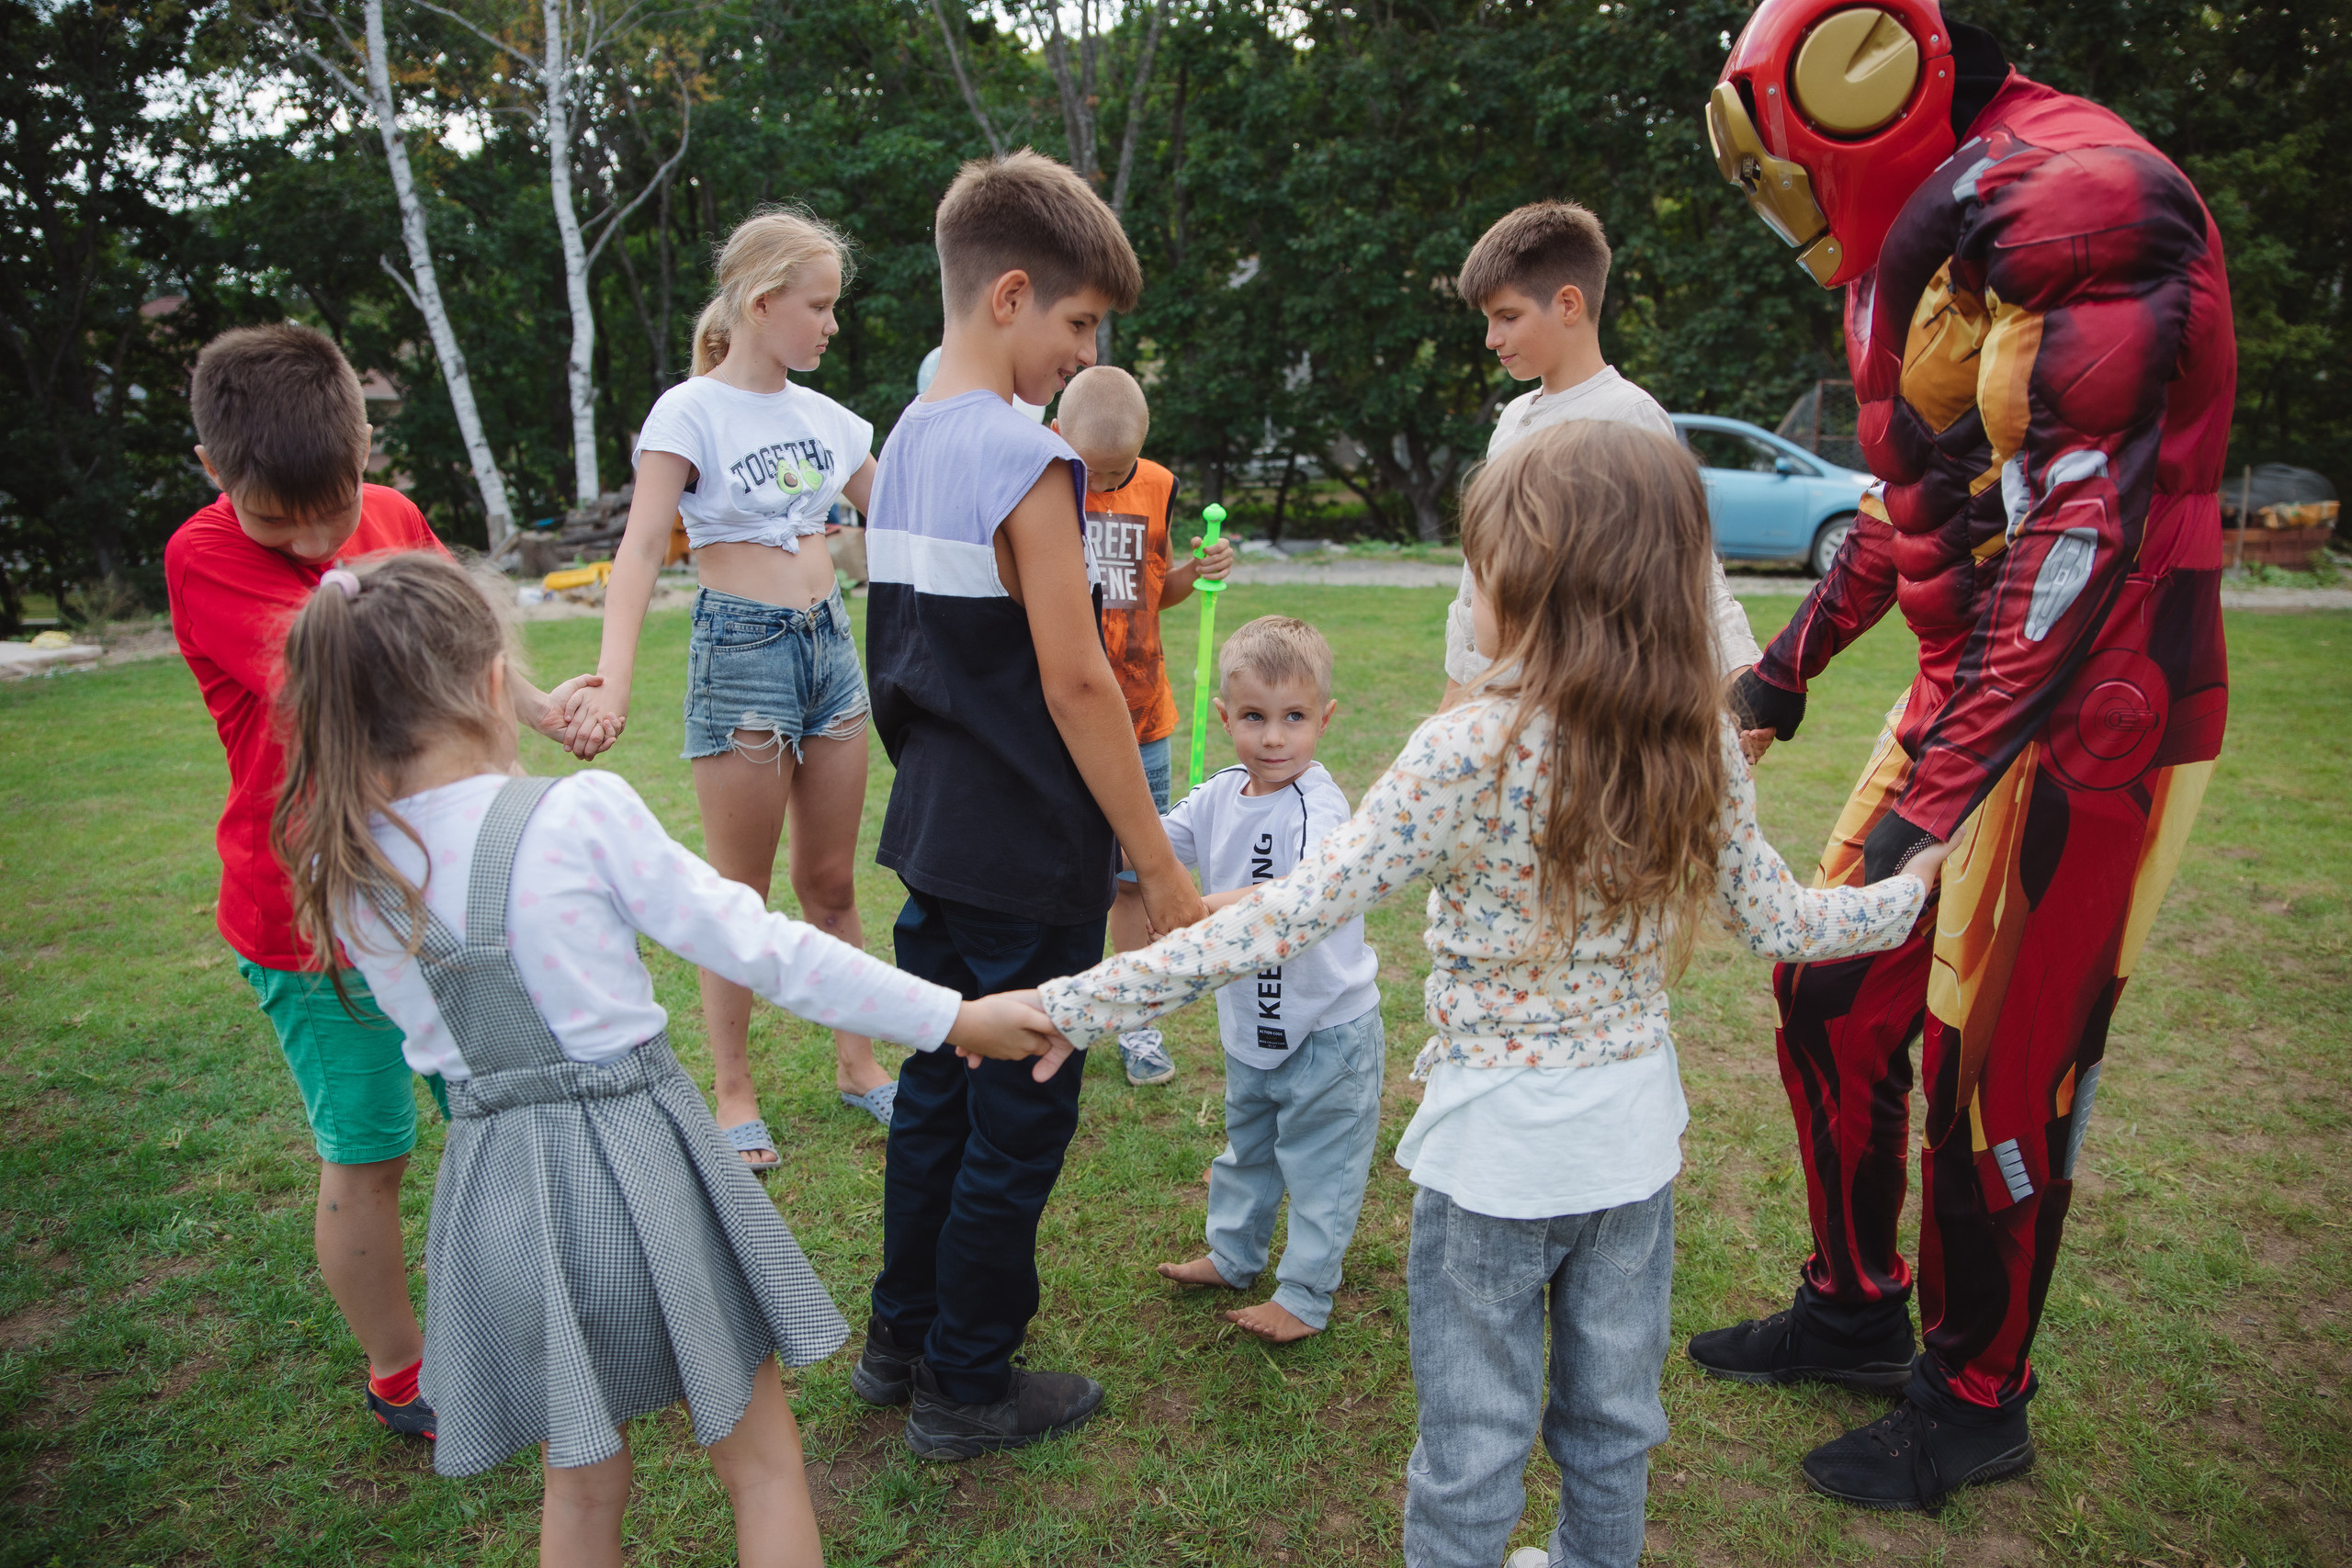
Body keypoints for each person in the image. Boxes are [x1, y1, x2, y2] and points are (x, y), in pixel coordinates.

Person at [1028, 423, 1945, 1568]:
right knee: (1612, 1433)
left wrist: (1079, 1004)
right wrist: (1904, 895)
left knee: (1472, 1450)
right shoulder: (1699, 740)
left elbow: (1286, 913)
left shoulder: (1467, 746)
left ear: (1533, 577)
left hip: (1493, 1167)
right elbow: (1787, 924)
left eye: (1486, 564)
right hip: (1631, 1155)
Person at [1697, 1, 2236, 1511]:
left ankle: (1976, 1392)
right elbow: (1920, 504)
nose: (1789, 204)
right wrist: (1779, 675)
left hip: (2100, 698)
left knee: (1994, 1072)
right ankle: (1857, 1306)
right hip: (1973, 679)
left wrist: (1933, 802)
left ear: (1856, 89)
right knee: (1828, 990)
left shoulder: (2083, 200)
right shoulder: (1946, 228)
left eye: (1792, 164)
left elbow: (2079, 543)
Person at [273, 551, 1059, 1564]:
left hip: (498, 1199)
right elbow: (766, 946)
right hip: (641, 1169)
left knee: (582, 1481)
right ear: (485, 686)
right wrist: (954, 1017)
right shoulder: (576, 815)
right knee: (761, 1462)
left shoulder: (349, 869)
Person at [163, 322, 602, 1443]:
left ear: (366, 440)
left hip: (442, 901)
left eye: (337, 504)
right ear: (215, 472)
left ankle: (528, 1331)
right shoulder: (203, 555)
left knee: (497, 1121)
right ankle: (404, 1374)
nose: (316, 539)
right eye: (281, 520)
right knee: (369, 1153)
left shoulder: (396, 515)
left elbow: (461, 643)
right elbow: (369, 680)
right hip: (309, 923)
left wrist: (549, 712)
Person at [847, 148, 1209, 1461]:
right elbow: (1075, 676)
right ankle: (968, 1380)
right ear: (1009, 294)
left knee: (939, 1088)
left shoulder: (905, 442)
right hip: (1026, 854)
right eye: (1075, 325)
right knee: (1021, 1109)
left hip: (937, 837)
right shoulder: (1028, 454)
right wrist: (1157, 866)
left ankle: (900, 1339)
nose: (1079, 355)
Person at [568, 208, 901, 1164]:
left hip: (831, 651)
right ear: (762, 304)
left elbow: (911, 528)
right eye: (820, 306)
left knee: (831, 883)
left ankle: (857, 1065)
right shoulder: (689, 411)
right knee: (739, 893)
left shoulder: (830, 421)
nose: (832, 325)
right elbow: (639, 554)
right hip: (739, 656)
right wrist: (614, 682)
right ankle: (733, 1089)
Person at [1146, 615, 1383, 1345]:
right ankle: (1232, 1254)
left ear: (1324, 719)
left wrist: (1208, 909)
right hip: (1252, 1027)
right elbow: (1157, 843)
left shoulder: (1319, 801)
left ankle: (1306, 1294)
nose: (1273, 738)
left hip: (1328, 1031)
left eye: (1293, 718)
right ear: (1224, 716)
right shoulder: (1219, 793)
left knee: (1320, 1167)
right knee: (1246, 1149)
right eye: (1254, 717)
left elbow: (1305, 892)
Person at [1442, 201, 1764, 730]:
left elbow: (1690, 565)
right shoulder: (1513, 417)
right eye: (1489, 321)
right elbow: (1476, 577)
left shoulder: (1628, 415)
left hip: (1573, 712)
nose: (1491, 339)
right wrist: (1453, 698)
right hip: (1489, 706)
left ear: (1568, 304)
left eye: (1508, 317)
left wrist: (1738, 681)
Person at [1050, 363, 1235, 1087]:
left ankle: (1136, 1021)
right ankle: (1063, 1011)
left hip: (1144, 718)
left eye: (1115, 471)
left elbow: (1157, 592)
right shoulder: (1042, 481)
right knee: (1063, 878)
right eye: (1089, 472)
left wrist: (1200, 567)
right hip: (1061, 721)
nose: (1101, 484)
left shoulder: (1156, 486)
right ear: (1058, 436)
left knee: (1132, 879)